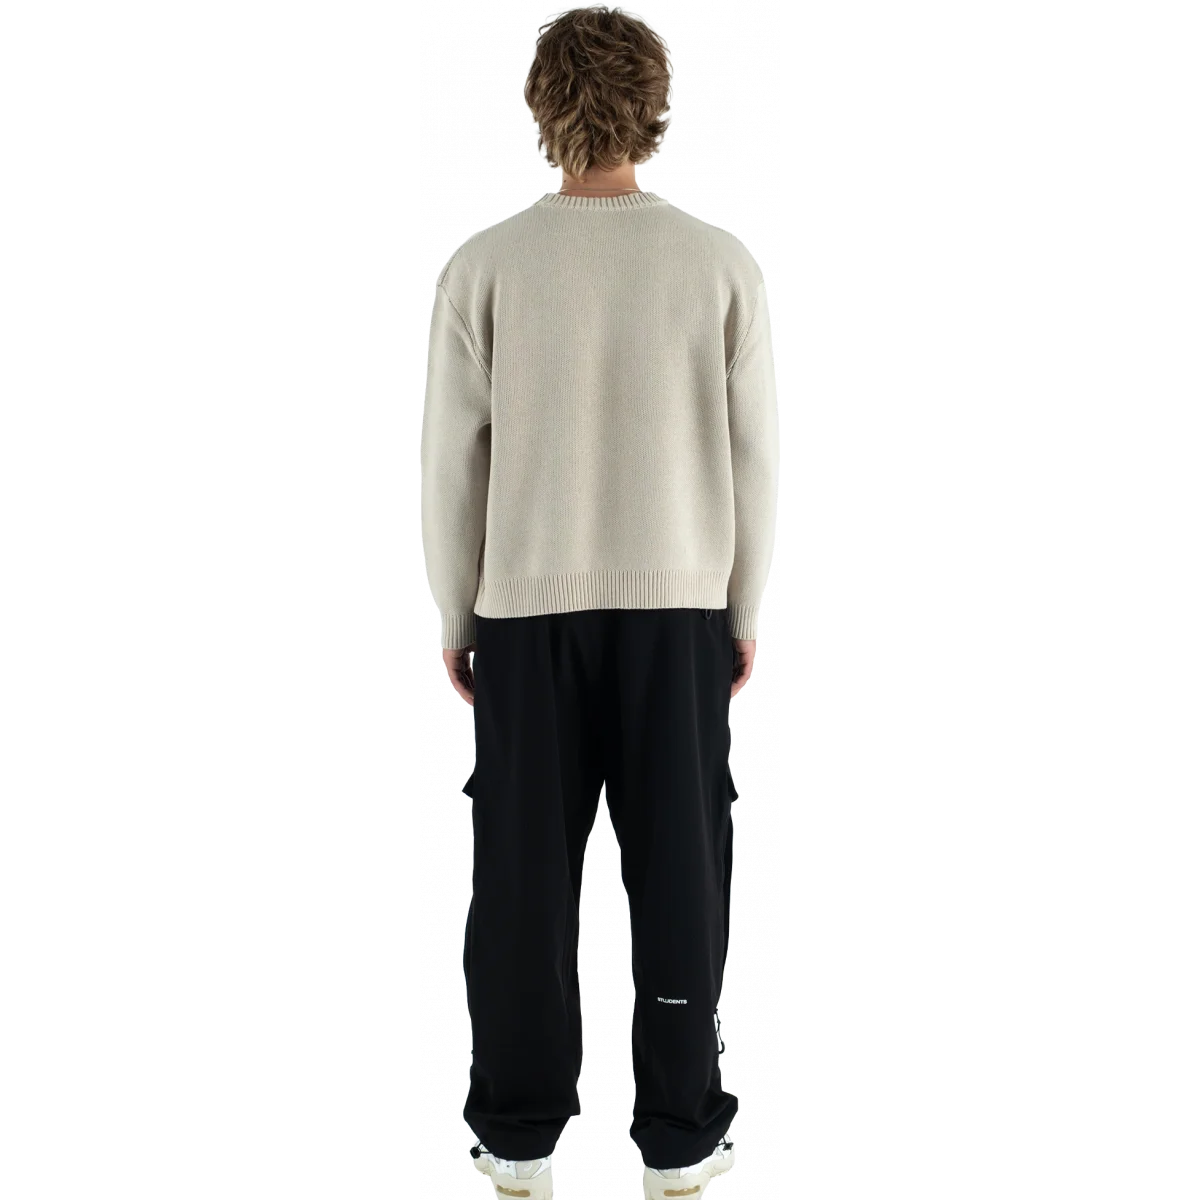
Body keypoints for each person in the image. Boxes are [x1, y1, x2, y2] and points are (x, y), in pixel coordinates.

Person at [420, 3, 779, 1197]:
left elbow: (451, 464)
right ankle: (680, 1137)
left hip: (525, 607)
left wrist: (457, 616)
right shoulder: (719, 263)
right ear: (658, 105)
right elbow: (757, 457)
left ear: (540, 105)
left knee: (520, 876)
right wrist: (742, 606)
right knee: (681, 870)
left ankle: (519, 1138)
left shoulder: (484, 265)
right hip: (679, 604)